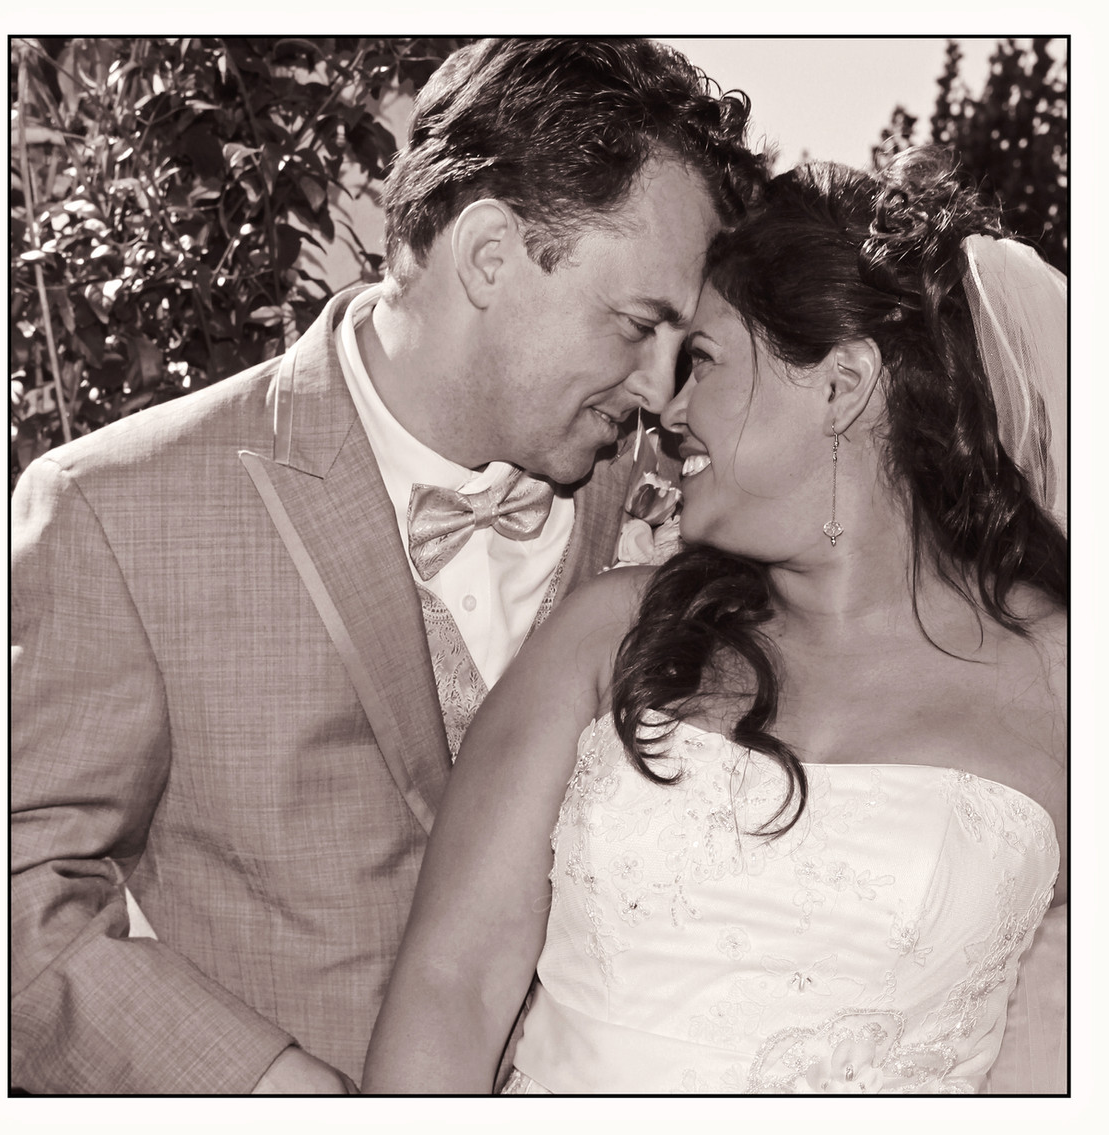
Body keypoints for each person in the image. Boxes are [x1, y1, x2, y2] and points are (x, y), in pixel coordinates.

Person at [10, 38, 764, 1093]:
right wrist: (269, 1089)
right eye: (639, 325)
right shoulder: (115, 509)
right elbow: (15, 902)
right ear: (489, 254)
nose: (657, 390)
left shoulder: (694, 499)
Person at [362, 148, 1067, 1095]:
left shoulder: (1066, 681)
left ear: (841, 385)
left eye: (703, 359)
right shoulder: (608, 633)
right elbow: (452, 985)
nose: (667, 406)